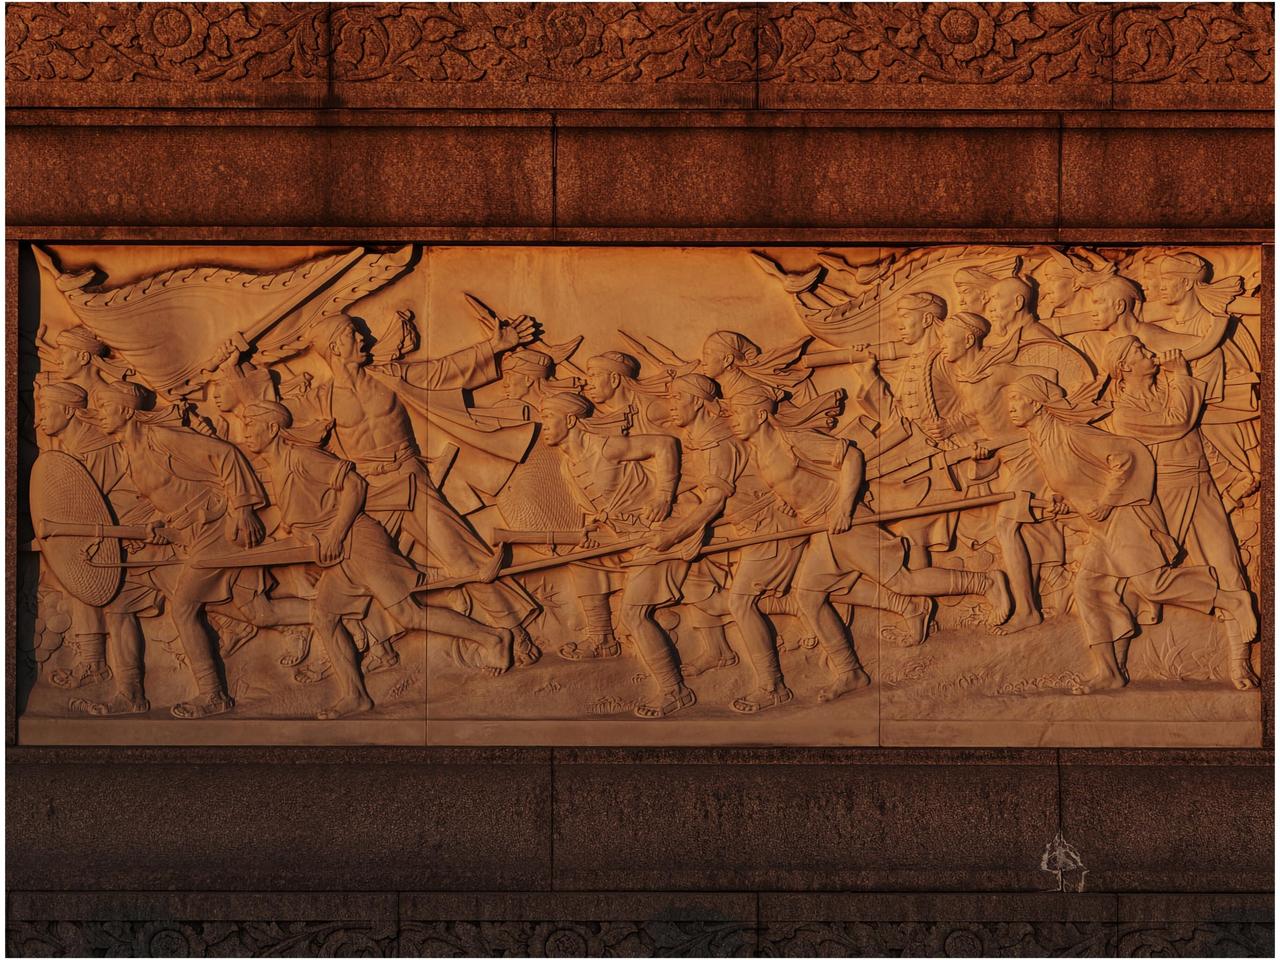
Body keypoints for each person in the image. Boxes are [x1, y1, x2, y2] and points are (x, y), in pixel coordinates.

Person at [728, 386, 1012, 702]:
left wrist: (844, 507)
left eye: (738, 413)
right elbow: (797, 483)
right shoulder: (759, 452)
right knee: (808, 597)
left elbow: (851, 457)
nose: (733, 420)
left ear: (760, 414)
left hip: (845, 524)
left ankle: (984, 583)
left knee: (902, 581)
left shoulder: (792, 441)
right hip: (821, 530)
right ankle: (850, 672)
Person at [1007, 375, 1257, 692]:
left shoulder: (1071, 433)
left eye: (1016, 399)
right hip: (1102, 527)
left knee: (1153, 586)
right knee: (1088, 588)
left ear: (1036, 403)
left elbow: (1127, 455)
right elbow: (1078, 478)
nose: (1010, 406)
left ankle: (1232, 600)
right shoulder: (1041, 441)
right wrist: (1065, 500)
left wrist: (1107, 501)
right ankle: (1109, 673)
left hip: (1125, 518)